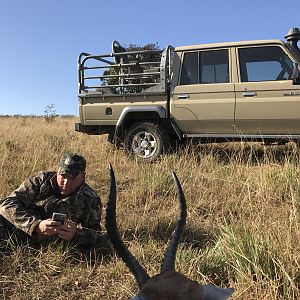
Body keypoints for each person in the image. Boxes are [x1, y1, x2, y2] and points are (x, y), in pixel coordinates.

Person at [0, 153, 109, 254]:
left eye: (73, 178)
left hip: (46, 249)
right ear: (57, 171)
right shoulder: (40, 180)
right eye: (63, 175)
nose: (66, 183)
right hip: (12, 233)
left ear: (82, 177)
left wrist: (75, 234)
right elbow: (6, 204)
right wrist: (36, 225)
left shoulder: (90, 198)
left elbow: (95, 235)